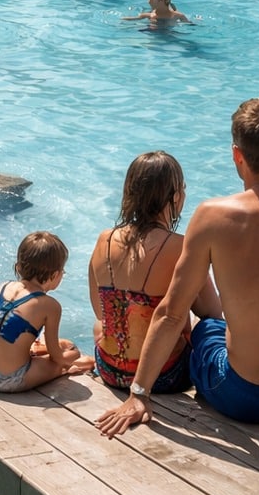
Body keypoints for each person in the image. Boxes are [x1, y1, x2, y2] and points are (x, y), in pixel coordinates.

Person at [97, 98, 259, 432]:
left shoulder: (213, 216)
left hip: (247, 398)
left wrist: (138, 393)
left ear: (237, 155)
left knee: (207, 328)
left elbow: (171, 314)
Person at [89, 152, 222, 393]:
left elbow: (100, 311)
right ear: (176, 197)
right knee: (203, 328)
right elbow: (212, 313)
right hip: (165, 376)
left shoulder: (103, 240)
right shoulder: (182, 246)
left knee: (100, 325)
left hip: (110, 371)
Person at [0, 231, 93, 393]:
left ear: (18, 267)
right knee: (72, 351)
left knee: (58, 346)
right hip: (10, 380)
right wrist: (68, 361)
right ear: (56, 274)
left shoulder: (2, 288)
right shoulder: (50, 306)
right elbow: (56, 357)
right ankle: (70, 369)